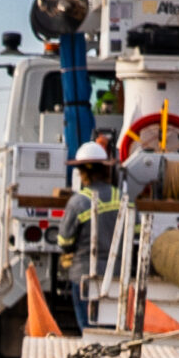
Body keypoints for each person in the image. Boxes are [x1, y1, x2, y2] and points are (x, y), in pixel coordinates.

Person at [53, 139, 123, 329]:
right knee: (111, 329)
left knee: (89, 330)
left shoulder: (78, 202)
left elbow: (64, 241)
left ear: (83, 173)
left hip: (84, 275)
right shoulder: (122, 198)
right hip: (116, 275)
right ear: (105, 169)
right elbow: (137, 232)